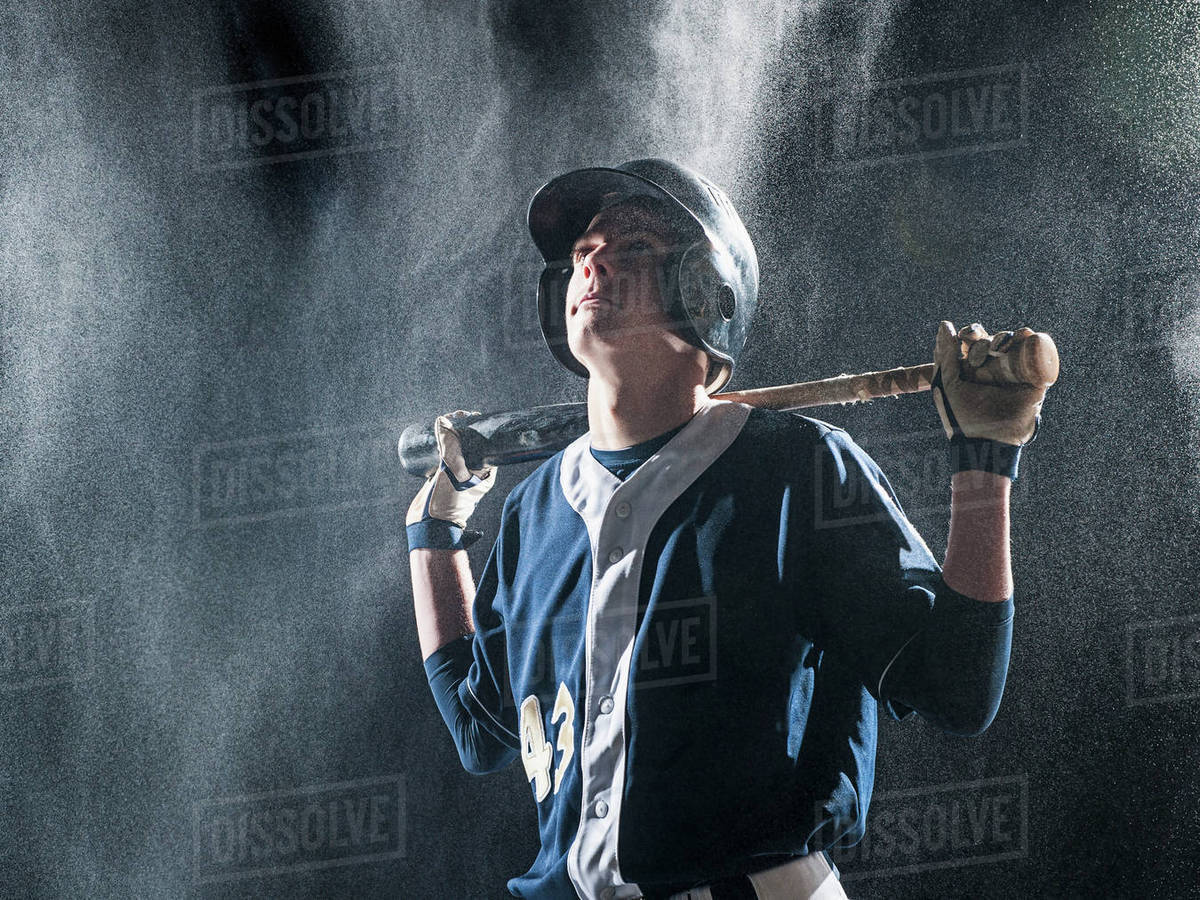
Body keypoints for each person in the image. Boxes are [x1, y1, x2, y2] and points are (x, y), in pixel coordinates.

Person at [406, 159, 1047, 900]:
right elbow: (479, 730)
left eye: (634, 248)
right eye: (583, 254)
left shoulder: (797, 468)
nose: (595, 263)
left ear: (706, 294)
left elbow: (959, 688)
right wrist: (436, 533)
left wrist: (984, 460)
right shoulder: (534, 510)